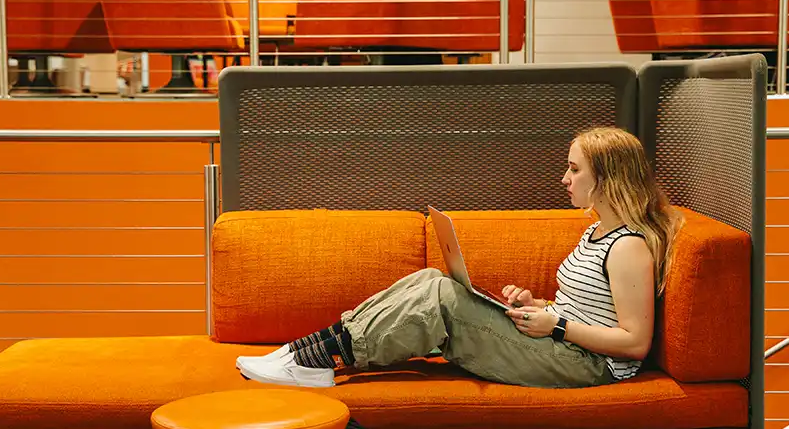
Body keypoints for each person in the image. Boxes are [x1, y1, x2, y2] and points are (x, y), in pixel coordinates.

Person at [236, 127, 684, 389]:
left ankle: (317, 360)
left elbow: (634, 341)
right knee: (430, 277)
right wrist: (538, 305)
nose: (564, 177)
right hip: (562, 340)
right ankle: (310, 350)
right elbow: (593, 307)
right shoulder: (596, 231)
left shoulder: (627, 246)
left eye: (574, 168)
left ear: (606, 178)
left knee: (440, 297)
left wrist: (559, 326)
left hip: (588, 365)